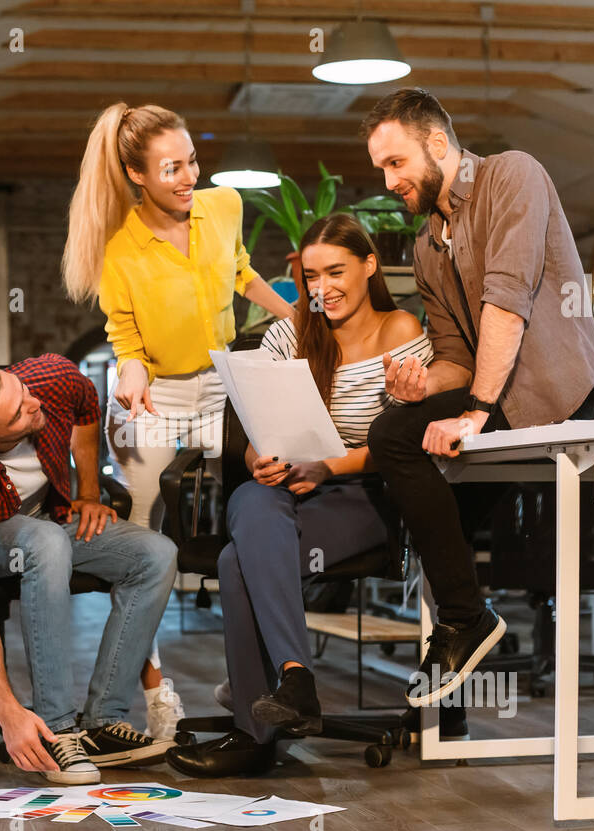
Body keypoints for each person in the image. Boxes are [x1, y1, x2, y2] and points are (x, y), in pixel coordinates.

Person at [362, 88, 594, 711]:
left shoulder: (512, 175)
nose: (388, 181)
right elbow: (454, 355)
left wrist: (471, 413)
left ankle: (465, 622)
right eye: (381, 169)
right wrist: (426, 385)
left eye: (396, 164)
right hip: (492, 390)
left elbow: (507, 300)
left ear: (437, 145)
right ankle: (459, 663)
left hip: (555, 392)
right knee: (404, 450)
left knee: (399, 448)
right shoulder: (425, 245)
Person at [62, 102, 298, 739]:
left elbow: (243, 273)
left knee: (261, 498)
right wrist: (131, 369)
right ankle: (154, 689)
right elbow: (125, 335)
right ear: (137, 176)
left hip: (224, 383)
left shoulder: (223, 208)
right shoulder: (119, 249)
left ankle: (255, 677)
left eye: (192, 159)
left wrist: (296, 320)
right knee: (143, 543)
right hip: (156, 395)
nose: (189, 175)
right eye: (171, 168)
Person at [167, 213, 432, 777]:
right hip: (280, 488)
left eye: (335, 272)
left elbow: (402, 444)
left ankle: (255, 733)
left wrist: (329, 466)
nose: (322, 289)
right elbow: (247, 428)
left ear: (368, 266)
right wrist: (255, 459)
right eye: (311, 276)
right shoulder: (289, 332)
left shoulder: (401, 332)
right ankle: (295, 679)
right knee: (253, 507)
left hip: (359, 494)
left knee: (237, 560)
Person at [0, 355, 179, 784]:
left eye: (22, 391)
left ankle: (102, 724)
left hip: (47, 521)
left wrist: (87, 491)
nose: (34, 405)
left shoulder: (46, 380)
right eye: (18, 412)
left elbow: (86, 405)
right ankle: (58, 729)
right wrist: (8, 710)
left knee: (155, 554)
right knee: (43, 541)